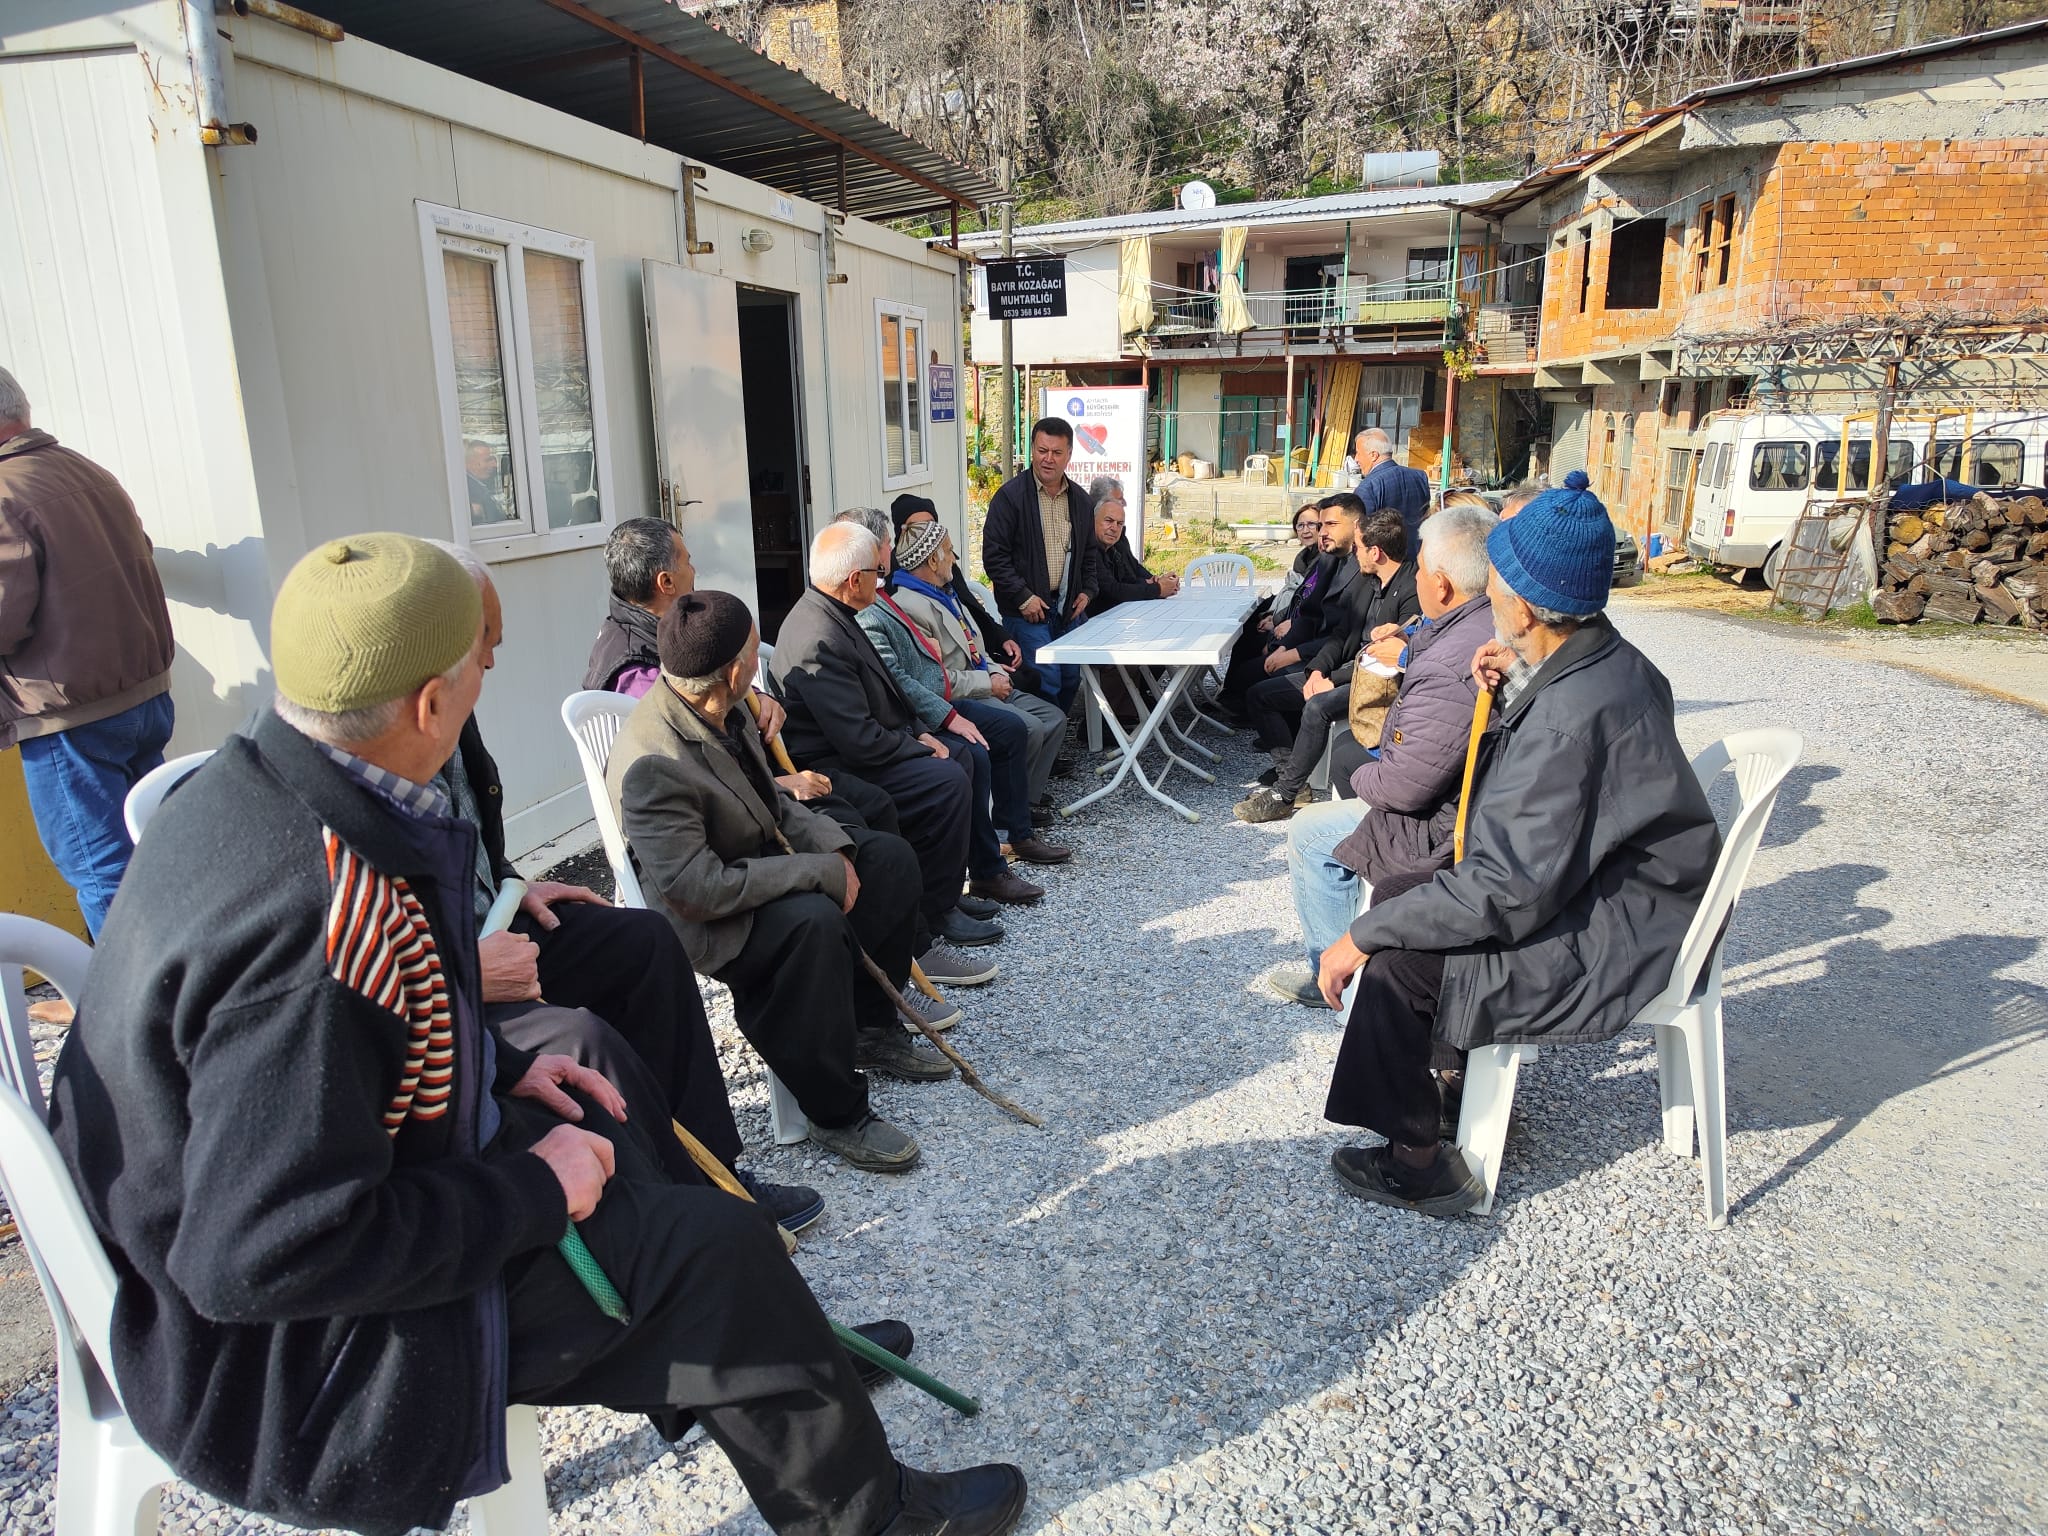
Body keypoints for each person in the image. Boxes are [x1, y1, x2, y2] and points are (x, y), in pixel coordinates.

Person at [48, 533, 1027, 1536]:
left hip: (309, 1244)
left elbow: (342, 1068)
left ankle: (762, 1358)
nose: (486, 681)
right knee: (713, 1254)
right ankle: (869, 1510)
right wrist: (531, 1188)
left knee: (609, 1093)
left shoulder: (251, 786)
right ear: (429, 704)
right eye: (482, 664)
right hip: (296, 1366)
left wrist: (503, 1066)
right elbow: (258, 1258)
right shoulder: (320, 925)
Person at [1316, 474, 1722, 1217]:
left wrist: (1357, 939)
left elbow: (1502, 889)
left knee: (1397, 964)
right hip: (1623, 888)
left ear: (1525, 606)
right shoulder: (1607, 661)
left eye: (1496, 585)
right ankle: (1450, 1083)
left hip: (1615, 925)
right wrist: (1512, 684)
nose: (1487, 599)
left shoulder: (1571, 711)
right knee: (1408, 893)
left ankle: (1420, 1162)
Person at [424, 541, 827, 1227]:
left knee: (644, 944)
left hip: (489, 925)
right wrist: (461, 968)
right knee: (584, 1040)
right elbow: (346, 973)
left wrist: (512, 883)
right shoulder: (362, 766)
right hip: (444, 973)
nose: (493, 660)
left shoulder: (449, 718)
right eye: (482, 644)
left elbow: (469, 840)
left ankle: (718, 1177)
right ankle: (656, 1211)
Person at [609, 589, 954, 1172]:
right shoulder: (654, 763)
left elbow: (770, 802)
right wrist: (818, 872)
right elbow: (698, 888)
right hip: (710, 912)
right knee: (812, 922)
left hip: (755, 855)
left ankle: (870, 1027)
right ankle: (834, 1110)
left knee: (887, 861)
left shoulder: (724, 702)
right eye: (753, 650)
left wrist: (838, 852)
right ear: (738, 667)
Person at [1262, 502, 1497, 1007]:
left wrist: (1372, 772)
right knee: (1342, 751)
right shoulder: (1483, 626)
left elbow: (1402, 788)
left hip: (1446, 829)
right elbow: (1346, 638)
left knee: (1312, 828)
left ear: (1441, 583)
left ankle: (1335, 973)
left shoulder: (1451, 661)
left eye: (1425, 563)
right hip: (1472, 808)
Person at [582, 517, 904, 842]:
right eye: (688, 561)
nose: (694, 570)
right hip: (726, 811)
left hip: (756, 770)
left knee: (872, 804)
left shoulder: (669, 626)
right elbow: (691, 763)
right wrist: (776, 786)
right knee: (866, 835)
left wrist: (761, 698)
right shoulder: (638, 670)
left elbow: (721, 691)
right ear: (666, 582)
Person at [0, 367, 176, 937]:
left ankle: (132, 1019)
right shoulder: (85, 470)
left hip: (71, 718)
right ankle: (176, 1005)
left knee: (103, 875)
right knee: (151, 860)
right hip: (143, 698)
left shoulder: (5, 493)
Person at [771, 523, 1008, 946]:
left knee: (964, 755)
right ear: (854, 580)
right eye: (877, 574)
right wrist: (913, 744)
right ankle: (934, 913)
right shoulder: (818, 638)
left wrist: (920, 730)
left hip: (871, 739)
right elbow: (857, 740)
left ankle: (945, 893)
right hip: (834, 763)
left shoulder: (837, 611)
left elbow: (889, 686)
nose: (882, 581)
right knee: (947, 780)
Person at [856, 527, 1064, 882]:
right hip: (947, 697)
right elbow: (924, 677)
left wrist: (997, 671)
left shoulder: (942, 592)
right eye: (950, 551)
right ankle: (1008, 836)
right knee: (1012, 731)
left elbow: (973, 650)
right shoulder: (902, 604)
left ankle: (1019, 816)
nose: (954, 558)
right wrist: (970, 698)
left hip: (968, 686)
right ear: (933, 558)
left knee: (1053, 717)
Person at [1235, 507, 1420, 824]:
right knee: (1259, 694)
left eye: (1360, 548)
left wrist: (1332, 679)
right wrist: (1317, 670)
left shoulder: (1412, 590)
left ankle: (1285, 794)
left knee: (1317, 706)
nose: (1355, 555)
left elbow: (1387, 658)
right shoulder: (1369, 581)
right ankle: (1294, 778)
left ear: (1375, 552)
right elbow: (1340, 636)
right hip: (1348, 672)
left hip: (1381, 683)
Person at [981, 417, 1100, 712]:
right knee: (1044, 681)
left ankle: (1054, 743)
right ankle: (1044, 753)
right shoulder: (1009, 498)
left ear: (1069, 454)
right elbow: (994, 557)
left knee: (1071, 678)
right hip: (1027, 613)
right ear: (1031, 449)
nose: (1048, 459)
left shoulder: (1081, 501)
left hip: (1068, 610)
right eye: (1042, 450)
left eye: (1057, 453)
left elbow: (1090, 555)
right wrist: (1023, 598)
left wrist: (1088, 590)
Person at [1217, 502, 1325, 720]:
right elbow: (1289, 595)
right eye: (1300, 525)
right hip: (1289, 620)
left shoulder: (1325, 562)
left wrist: (1279, 622)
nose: (1305, 530)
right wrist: (1270, 614)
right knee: (1246, 630)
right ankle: (1231, 696)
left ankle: (1241, 703)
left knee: (1250, 649)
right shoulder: (1303, 557)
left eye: (1311, 524)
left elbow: (1308, 605)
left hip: (1300, 633)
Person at [1086, 478, 1180, 614]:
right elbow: (1113, 590)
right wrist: (1158, 589)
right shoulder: (1089, 547)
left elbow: (1130, 574)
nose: (1114, 528)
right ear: (1095, 515)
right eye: (1109, 520)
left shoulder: (1113, 544)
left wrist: (1156, 581)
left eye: (1119, 523)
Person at [1351, 426, 1432, 552]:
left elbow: (1362, 533)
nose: (1355, 459)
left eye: (1358, 453)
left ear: (1373, 455)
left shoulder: (1367, 487)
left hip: (1388, 560)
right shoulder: (1419, 476)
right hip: (1418, 554)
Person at [465, 438, 507, 524]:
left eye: (494, 460)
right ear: (469, 463)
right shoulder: (470, 491)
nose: (494, 465)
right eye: (487, 460)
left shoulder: (480, 486)